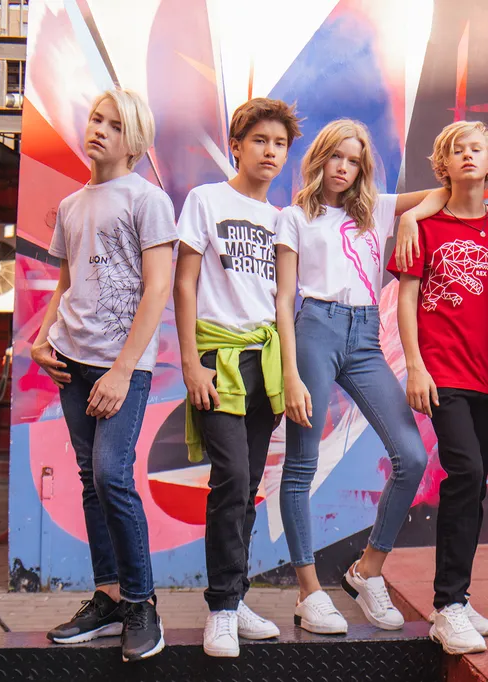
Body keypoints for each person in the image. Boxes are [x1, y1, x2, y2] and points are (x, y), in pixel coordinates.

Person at [275, 118, 447, 633]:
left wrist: (410, 220)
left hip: (366, 335)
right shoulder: (295, 217)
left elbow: (443, 194)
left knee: (411, 456)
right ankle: (309, 591)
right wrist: (290, 373)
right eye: (336, 156)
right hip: (314, 330)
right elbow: (284, 299)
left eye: (353, 161)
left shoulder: (378, 210)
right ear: (319, 159)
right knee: (301, 465)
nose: (343, 168)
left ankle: (366, 570)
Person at [35, 88, 176, 662]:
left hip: (122, 364)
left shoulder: (148, 200)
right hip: (71, 358)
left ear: (134, 139)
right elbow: (67, 283)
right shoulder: (72, 205)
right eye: (96, 119)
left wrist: (121, 372)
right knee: (90, 481)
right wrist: (42, 337)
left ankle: (142, 604)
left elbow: (158, 288)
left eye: (115, 125)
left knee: (111, 474)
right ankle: (110, 596)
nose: (100, 129)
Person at [173, 97, 302, 658]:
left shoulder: (282, 219)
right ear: (236, 146)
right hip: (217, 356)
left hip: (263, 360)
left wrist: (289, 372)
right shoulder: (206, 200)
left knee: (248, 484)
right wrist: (190, 362)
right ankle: (222, 609)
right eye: (259, 141)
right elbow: (184, 283)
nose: (270, 151)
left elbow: (283, 299)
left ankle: (236, 596)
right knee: (229, 476)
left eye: (279, 144)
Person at [389, 120, 488, 655]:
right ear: (443, 165)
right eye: (456, 149)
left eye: (477, 149)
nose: (467, 155)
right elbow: (407, 298)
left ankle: (459, 597)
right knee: (464, 471)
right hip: (441, 372)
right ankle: (447, 606)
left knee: (475, 482)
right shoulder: (423, 225)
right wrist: (415, 365)